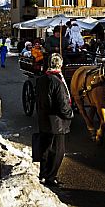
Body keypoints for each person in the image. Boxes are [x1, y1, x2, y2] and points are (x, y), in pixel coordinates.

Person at [35, 53, 73, 187]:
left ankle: (43, 174)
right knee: (58, 151)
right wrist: (70, 114)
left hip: (44, 119)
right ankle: (51, 177)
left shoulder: (41, 79)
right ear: (60, 65)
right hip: (56, 122)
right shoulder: (58, 82)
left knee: (46, 148)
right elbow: (63, 105)